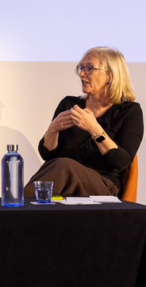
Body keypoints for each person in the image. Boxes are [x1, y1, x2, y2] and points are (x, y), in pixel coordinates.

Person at [24, 47, 143, 198]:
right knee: (59, 166)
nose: (81, 73)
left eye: (89, 68)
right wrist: (52, 130)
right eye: (81, 68)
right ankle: (16, 206)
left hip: (104, 186)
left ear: (110, 76)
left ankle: (11, 209)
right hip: (65, 181)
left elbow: (122, 161)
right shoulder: (69, 104)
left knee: (64, 166)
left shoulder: (129, 111)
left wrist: (95, 130)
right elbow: (48, 155)